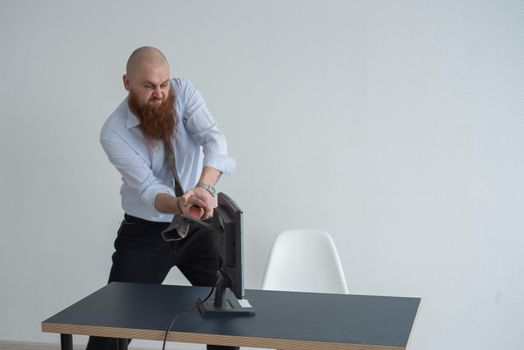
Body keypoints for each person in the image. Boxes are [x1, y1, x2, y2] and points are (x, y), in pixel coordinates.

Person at [86, 46, 237, 350]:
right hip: (145, 233)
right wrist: (180, 203)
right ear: (127, 83)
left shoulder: (184, 92)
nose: (159, 94)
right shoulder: (113, 132)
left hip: (198, 227)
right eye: (149, 86)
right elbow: (148, 189)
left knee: (226, 312)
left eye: (164, 84)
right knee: (112, 325)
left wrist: (203, 189)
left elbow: (214, 140)